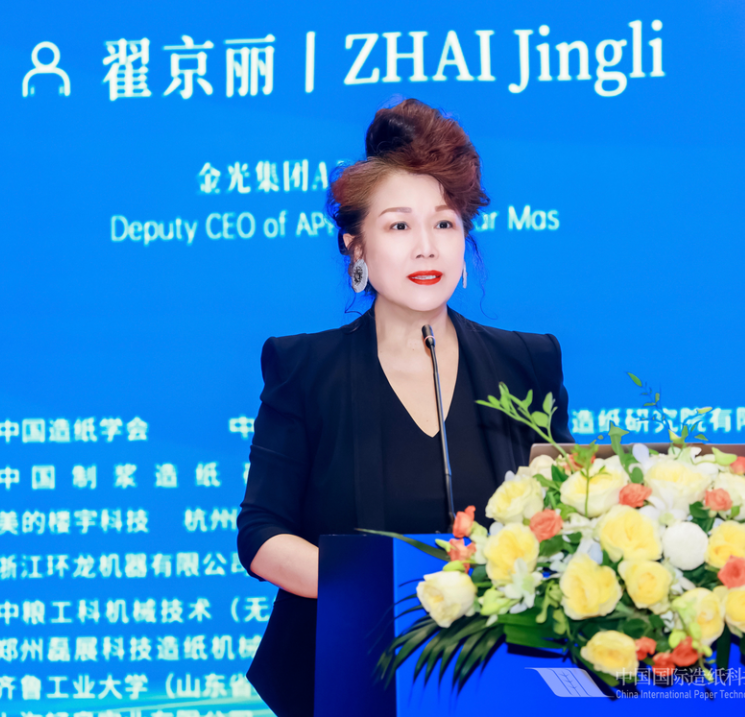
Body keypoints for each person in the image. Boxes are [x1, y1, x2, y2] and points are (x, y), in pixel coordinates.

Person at [236, 98, 573, 717]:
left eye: (444, 225)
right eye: (398, 226)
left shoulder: (528, 363)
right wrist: (392, 589)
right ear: (356, 247)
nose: (426, 248)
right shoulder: (304, 367)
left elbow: (562, 521)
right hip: (343, 674)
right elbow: (261, 536)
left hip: (504, 677)